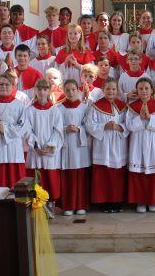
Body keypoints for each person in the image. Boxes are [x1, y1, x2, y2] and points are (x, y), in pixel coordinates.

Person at [86, 78, 129, 213]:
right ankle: (104, 202)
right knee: (103, 173)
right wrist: (104, 126)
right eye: (108, 89)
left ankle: (117, 201)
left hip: (118, 143)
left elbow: (128, 123)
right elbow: (89, 125)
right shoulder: (95, 106)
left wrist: (119, 127)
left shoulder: (123, 106)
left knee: (118, 174)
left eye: (114, 89)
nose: (111, 91)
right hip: (103, 144)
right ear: (103, 90)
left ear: (117, 91)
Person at [126, 78, 155, 213]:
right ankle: (141, 201)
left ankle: (153, 201)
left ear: (152, 90)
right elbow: (129, 126)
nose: (143, 91)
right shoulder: (131, 107)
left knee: (154, 173)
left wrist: (149, 117)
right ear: (137, 90)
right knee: (139, 172)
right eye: (140, 88)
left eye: (146, 88)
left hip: (154, 143)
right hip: (137, 143)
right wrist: (140, 117)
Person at [24, 79, 64, 205]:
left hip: (49, 152)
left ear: (49, 91)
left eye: (45, 89)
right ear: (35, 90)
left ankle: (50, 204)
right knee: (36, 180)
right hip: (35, 151)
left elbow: (58, 131)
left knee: (50, 179)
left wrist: (50, 146)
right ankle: (36, 205)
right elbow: (27, 130)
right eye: (39, 89)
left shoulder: (54, 110)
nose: (42, 92)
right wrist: (35, 146)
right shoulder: (29, 110)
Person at [59, 79, 91, 216]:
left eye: (73, 90)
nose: (71, 93)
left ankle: (80, 205)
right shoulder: (59, 108)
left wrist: (79, 129)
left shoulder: (84, 107)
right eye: (67, 90)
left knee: (81, 175)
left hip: (80, 145)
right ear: (63, 91)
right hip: (66, 146)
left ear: (78, 90)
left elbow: (89, 126)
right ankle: (68, 205)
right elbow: (55, 127)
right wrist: (65, 129)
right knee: (68, 176)